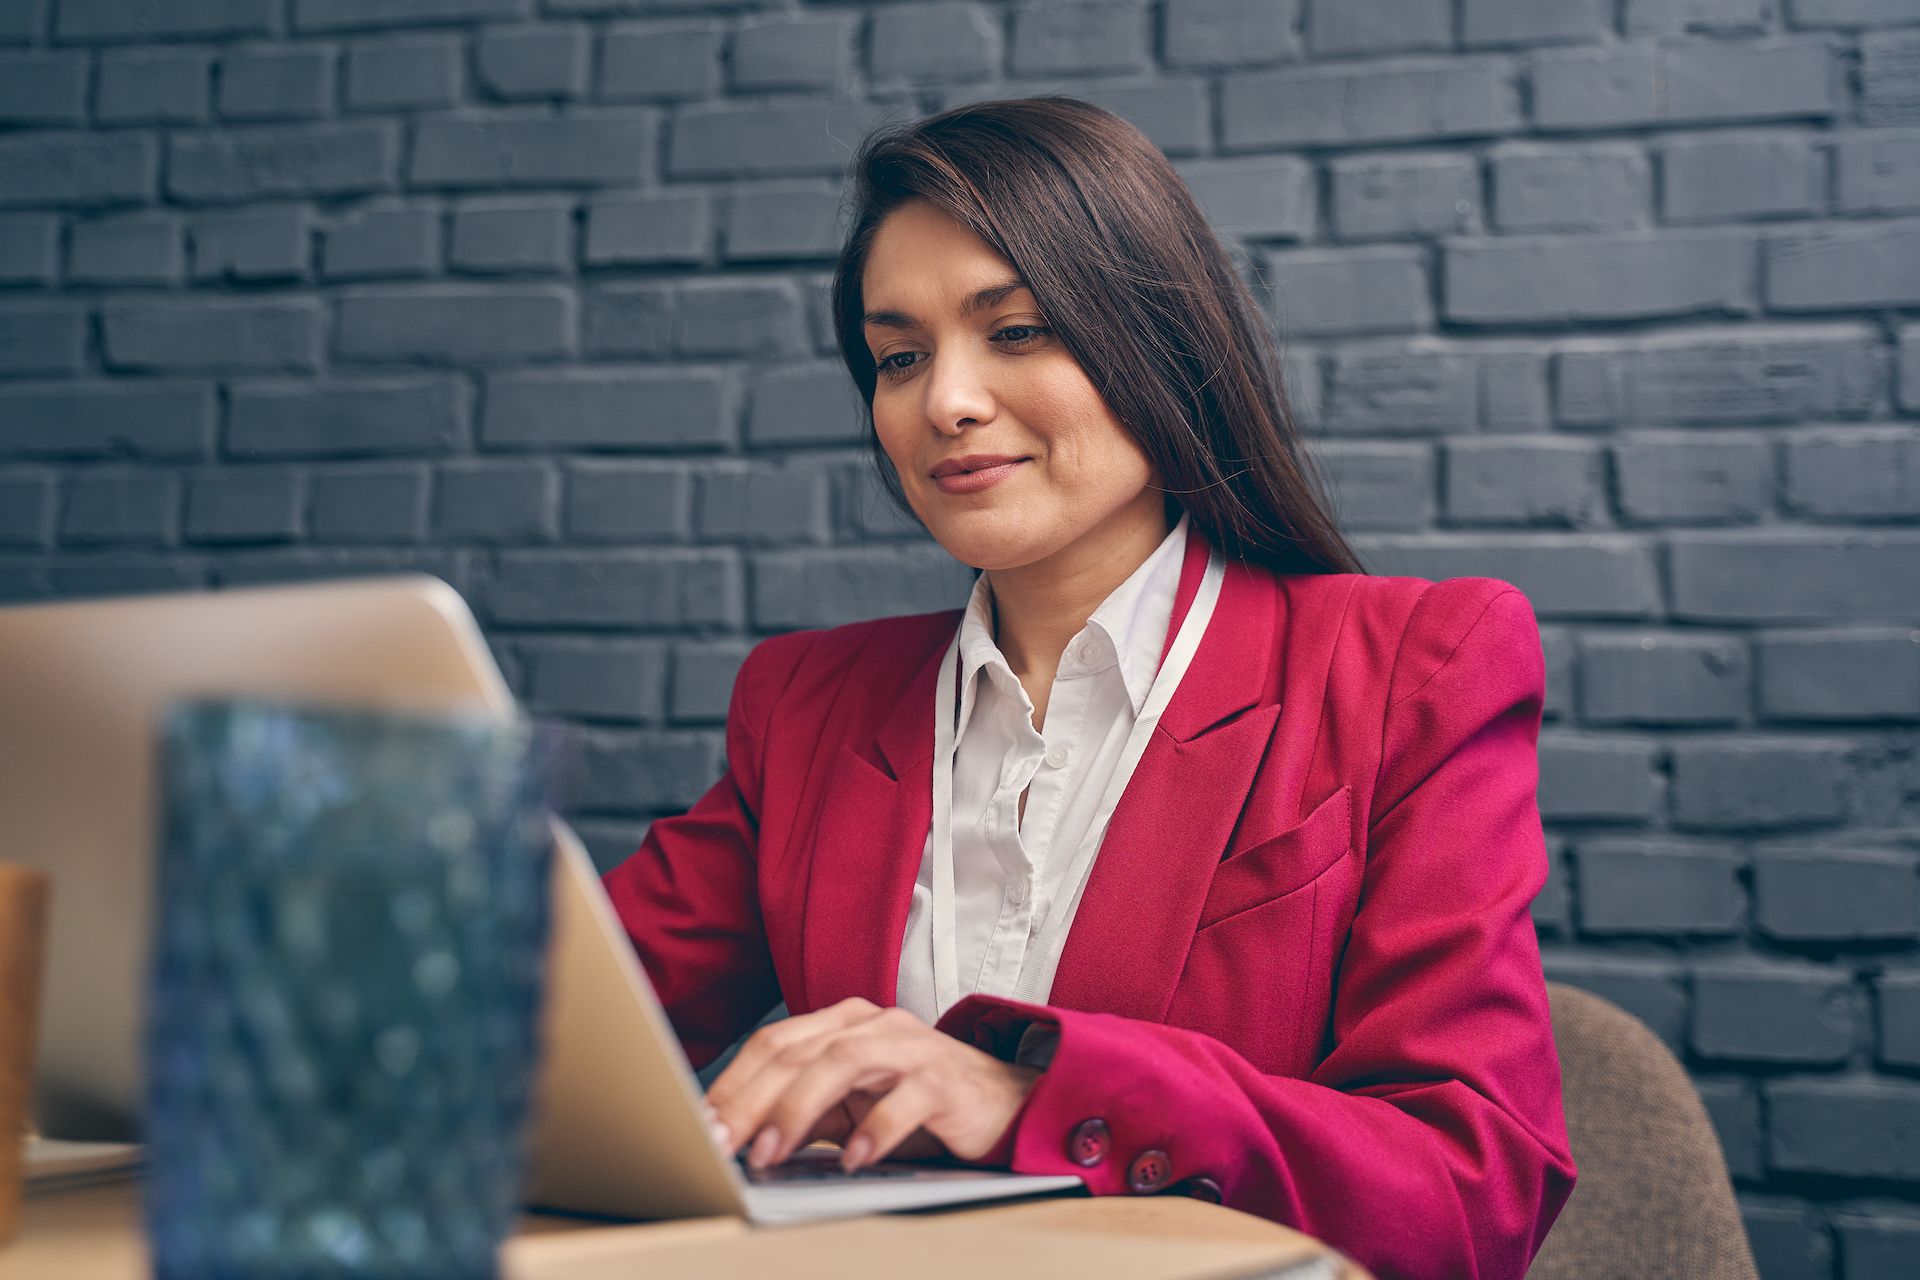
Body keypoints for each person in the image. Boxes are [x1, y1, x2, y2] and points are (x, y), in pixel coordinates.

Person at [603, 97, 1575, 1280]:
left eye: (1015, 332)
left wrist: (1020, 1094)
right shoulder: (806, 703)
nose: (945, 402)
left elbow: (1470, 1192)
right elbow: (569, 1042)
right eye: (899, 355)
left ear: (1156, 342)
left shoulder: (1413, 665)